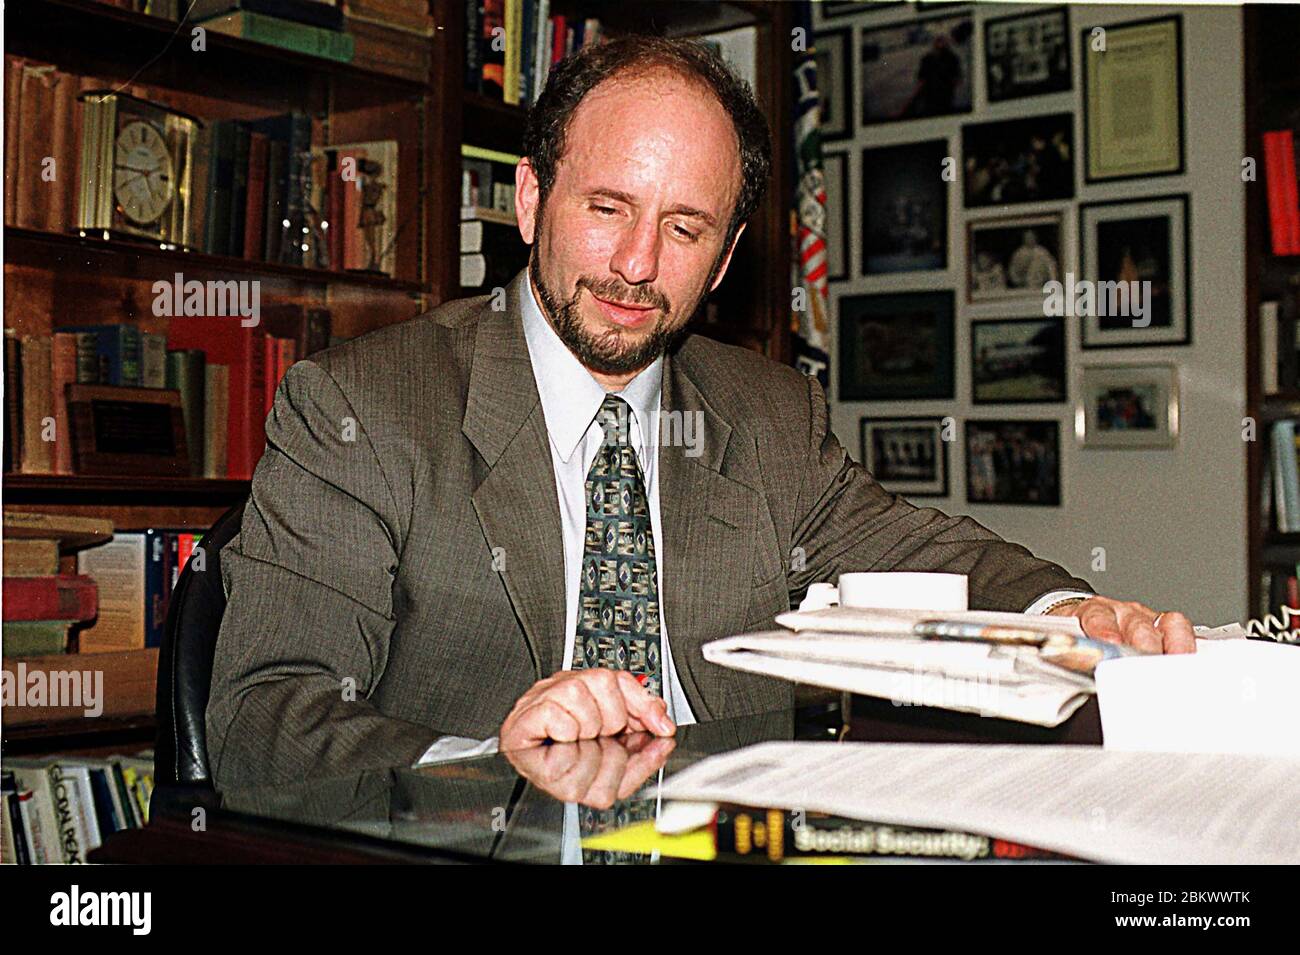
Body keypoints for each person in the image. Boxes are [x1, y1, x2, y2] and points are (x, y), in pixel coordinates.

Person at [206, 36, 1197, 789]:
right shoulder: (360, 407)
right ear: (528, 200)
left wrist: (1068, 612)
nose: (638, 265)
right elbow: (265, 721)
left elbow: (923, 551)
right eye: (606, 209)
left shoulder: (765, 413)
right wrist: (486, 759)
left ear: (722, 261)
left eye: (684, 228)